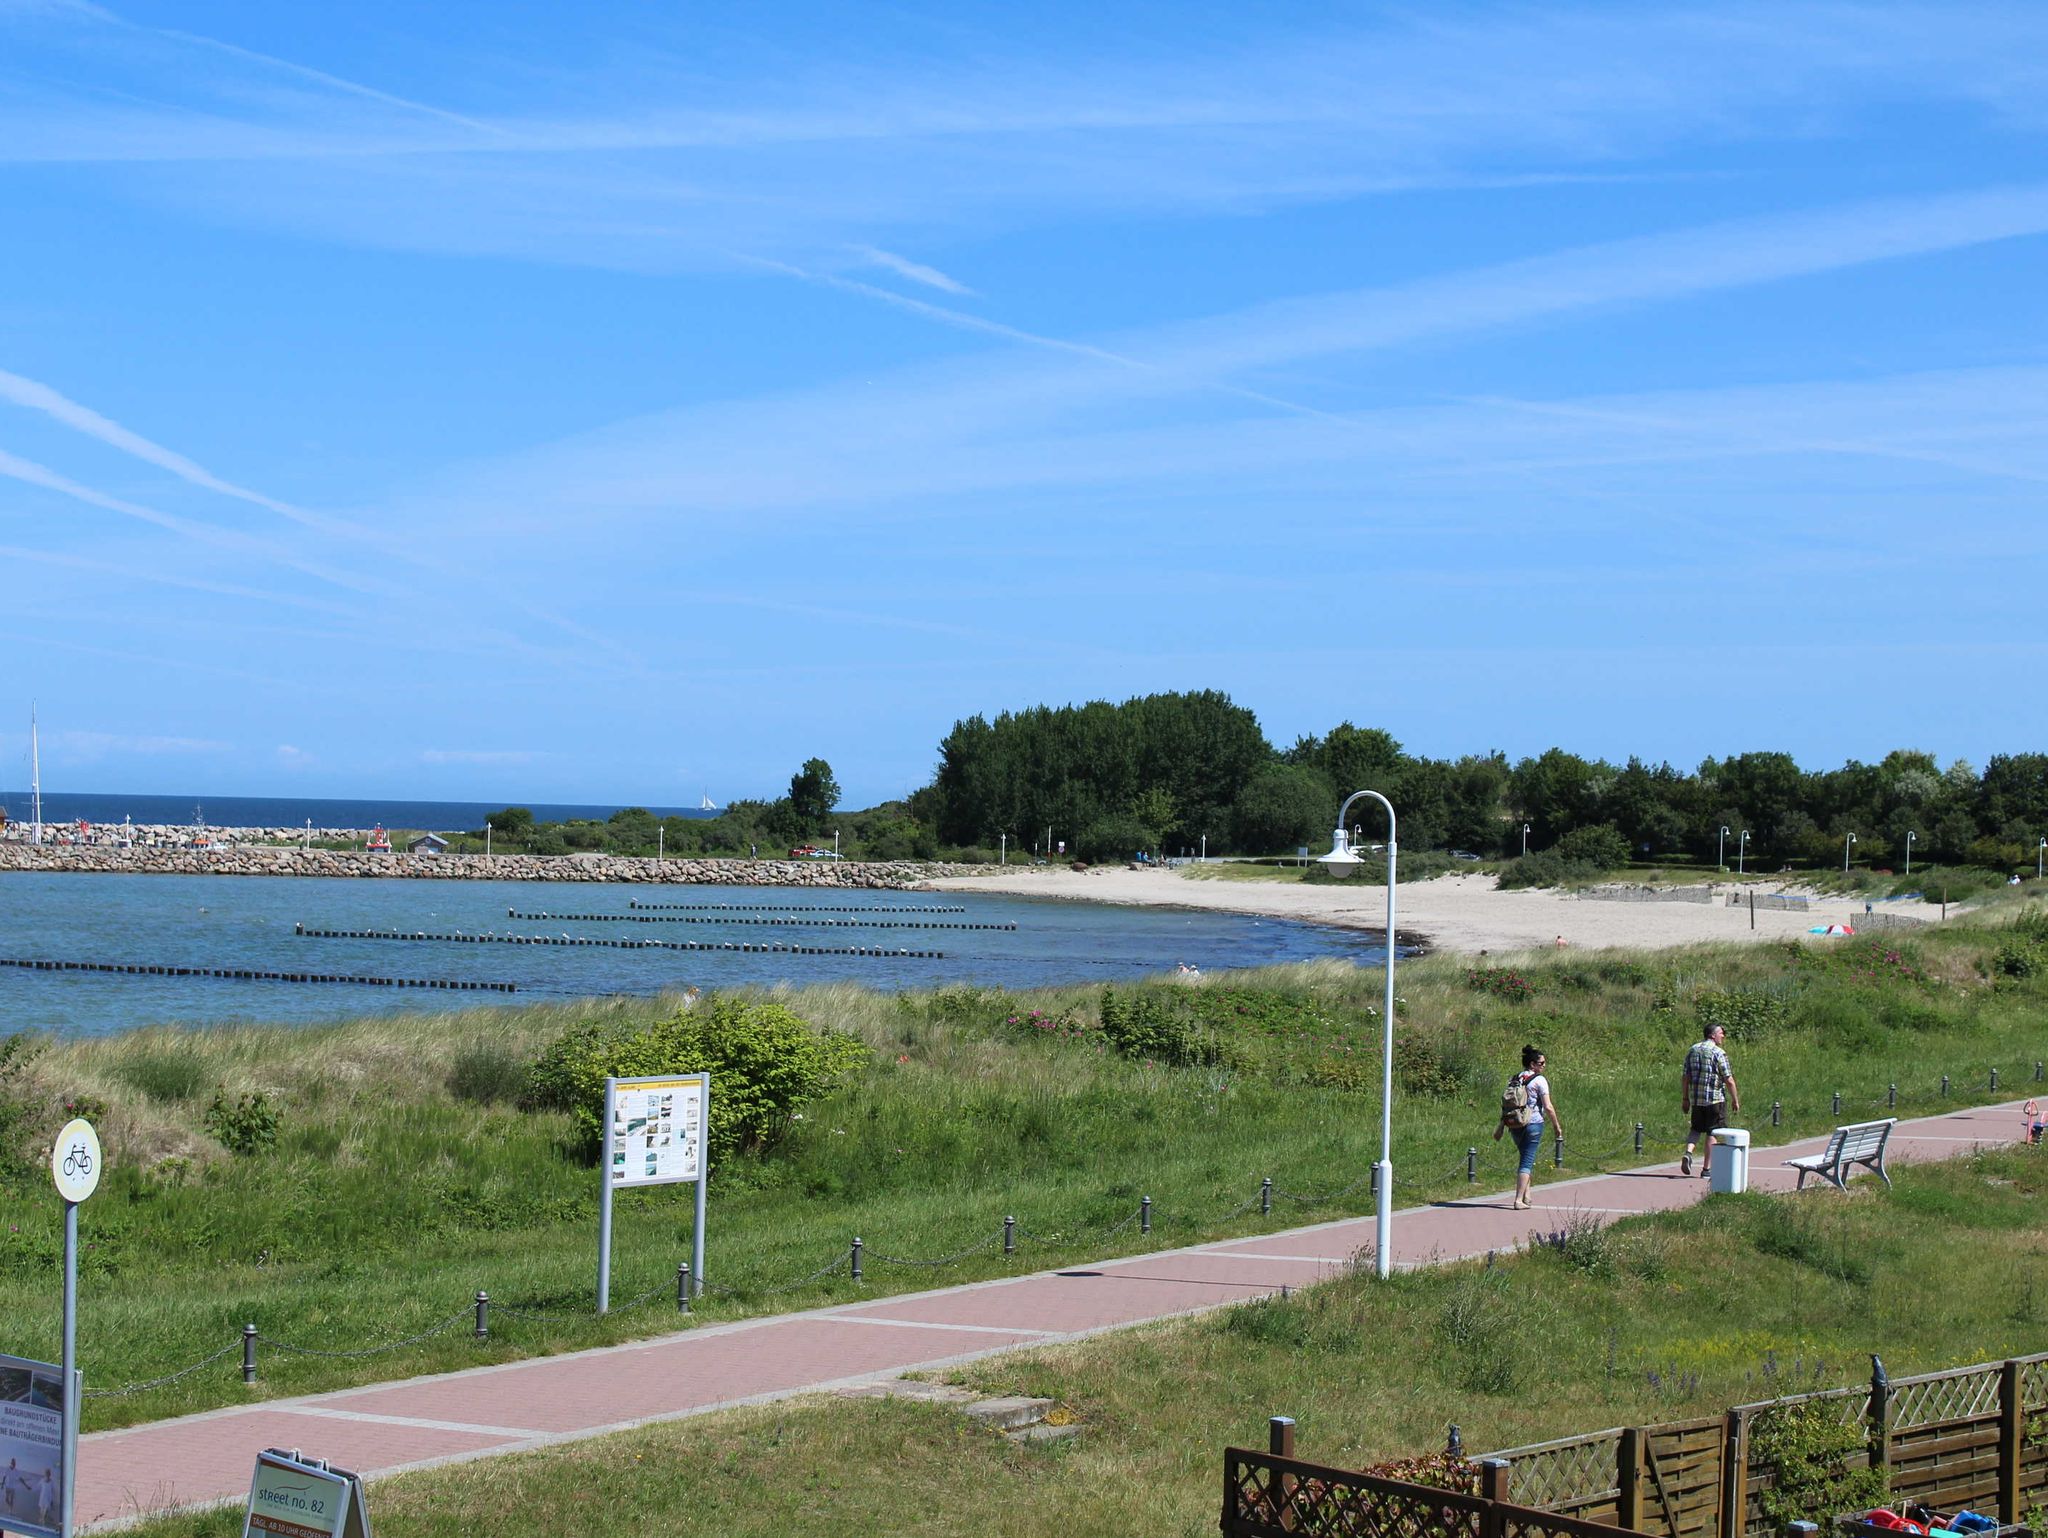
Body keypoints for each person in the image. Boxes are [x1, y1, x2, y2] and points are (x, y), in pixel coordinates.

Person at [1493, 1044, 1561, 1210]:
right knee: (1527, 1162)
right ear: (1532, 1064)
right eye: (1541, 1063)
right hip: (1533, 1123)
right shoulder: (1539, 1080)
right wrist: (1557, 1127)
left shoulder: (1515, 1078)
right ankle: (1518, 1200)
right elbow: (1548, 1106)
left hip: (1514, 1123)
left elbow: (1508, 1105)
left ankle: (1527, 1196)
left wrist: (1501, 1126)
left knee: (1525, 1157)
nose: (1544, 1066)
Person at [1680, 1023, 1741, 1177]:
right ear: (1713, 1035)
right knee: (1712, 1132)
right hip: (1715, 1099)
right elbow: (1728, 1079)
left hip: (1697, 1099)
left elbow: (1685, 1077)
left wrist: (1685, 1098)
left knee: (1695, 1129)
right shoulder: (1718, 1053)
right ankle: (1706, 1169)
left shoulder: (1692, 1050)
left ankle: (1688, 1152)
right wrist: (1735, 1099)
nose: (1723, 1036)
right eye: (1721, 1033)